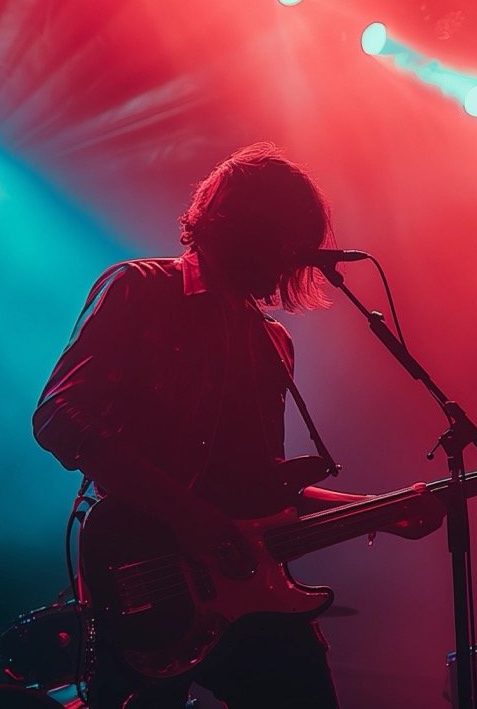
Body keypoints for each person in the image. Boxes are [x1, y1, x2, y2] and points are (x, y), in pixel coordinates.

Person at [32, 142, 444, 708]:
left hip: (251, 590)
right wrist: (189, 515)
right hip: (146, 573)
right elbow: (60, 414)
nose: (290, 259)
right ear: (233, 223)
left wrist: (377, 509)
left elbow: (266, 487)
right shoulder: (140, 289)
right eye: (283, 239)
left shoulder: (272, 341)